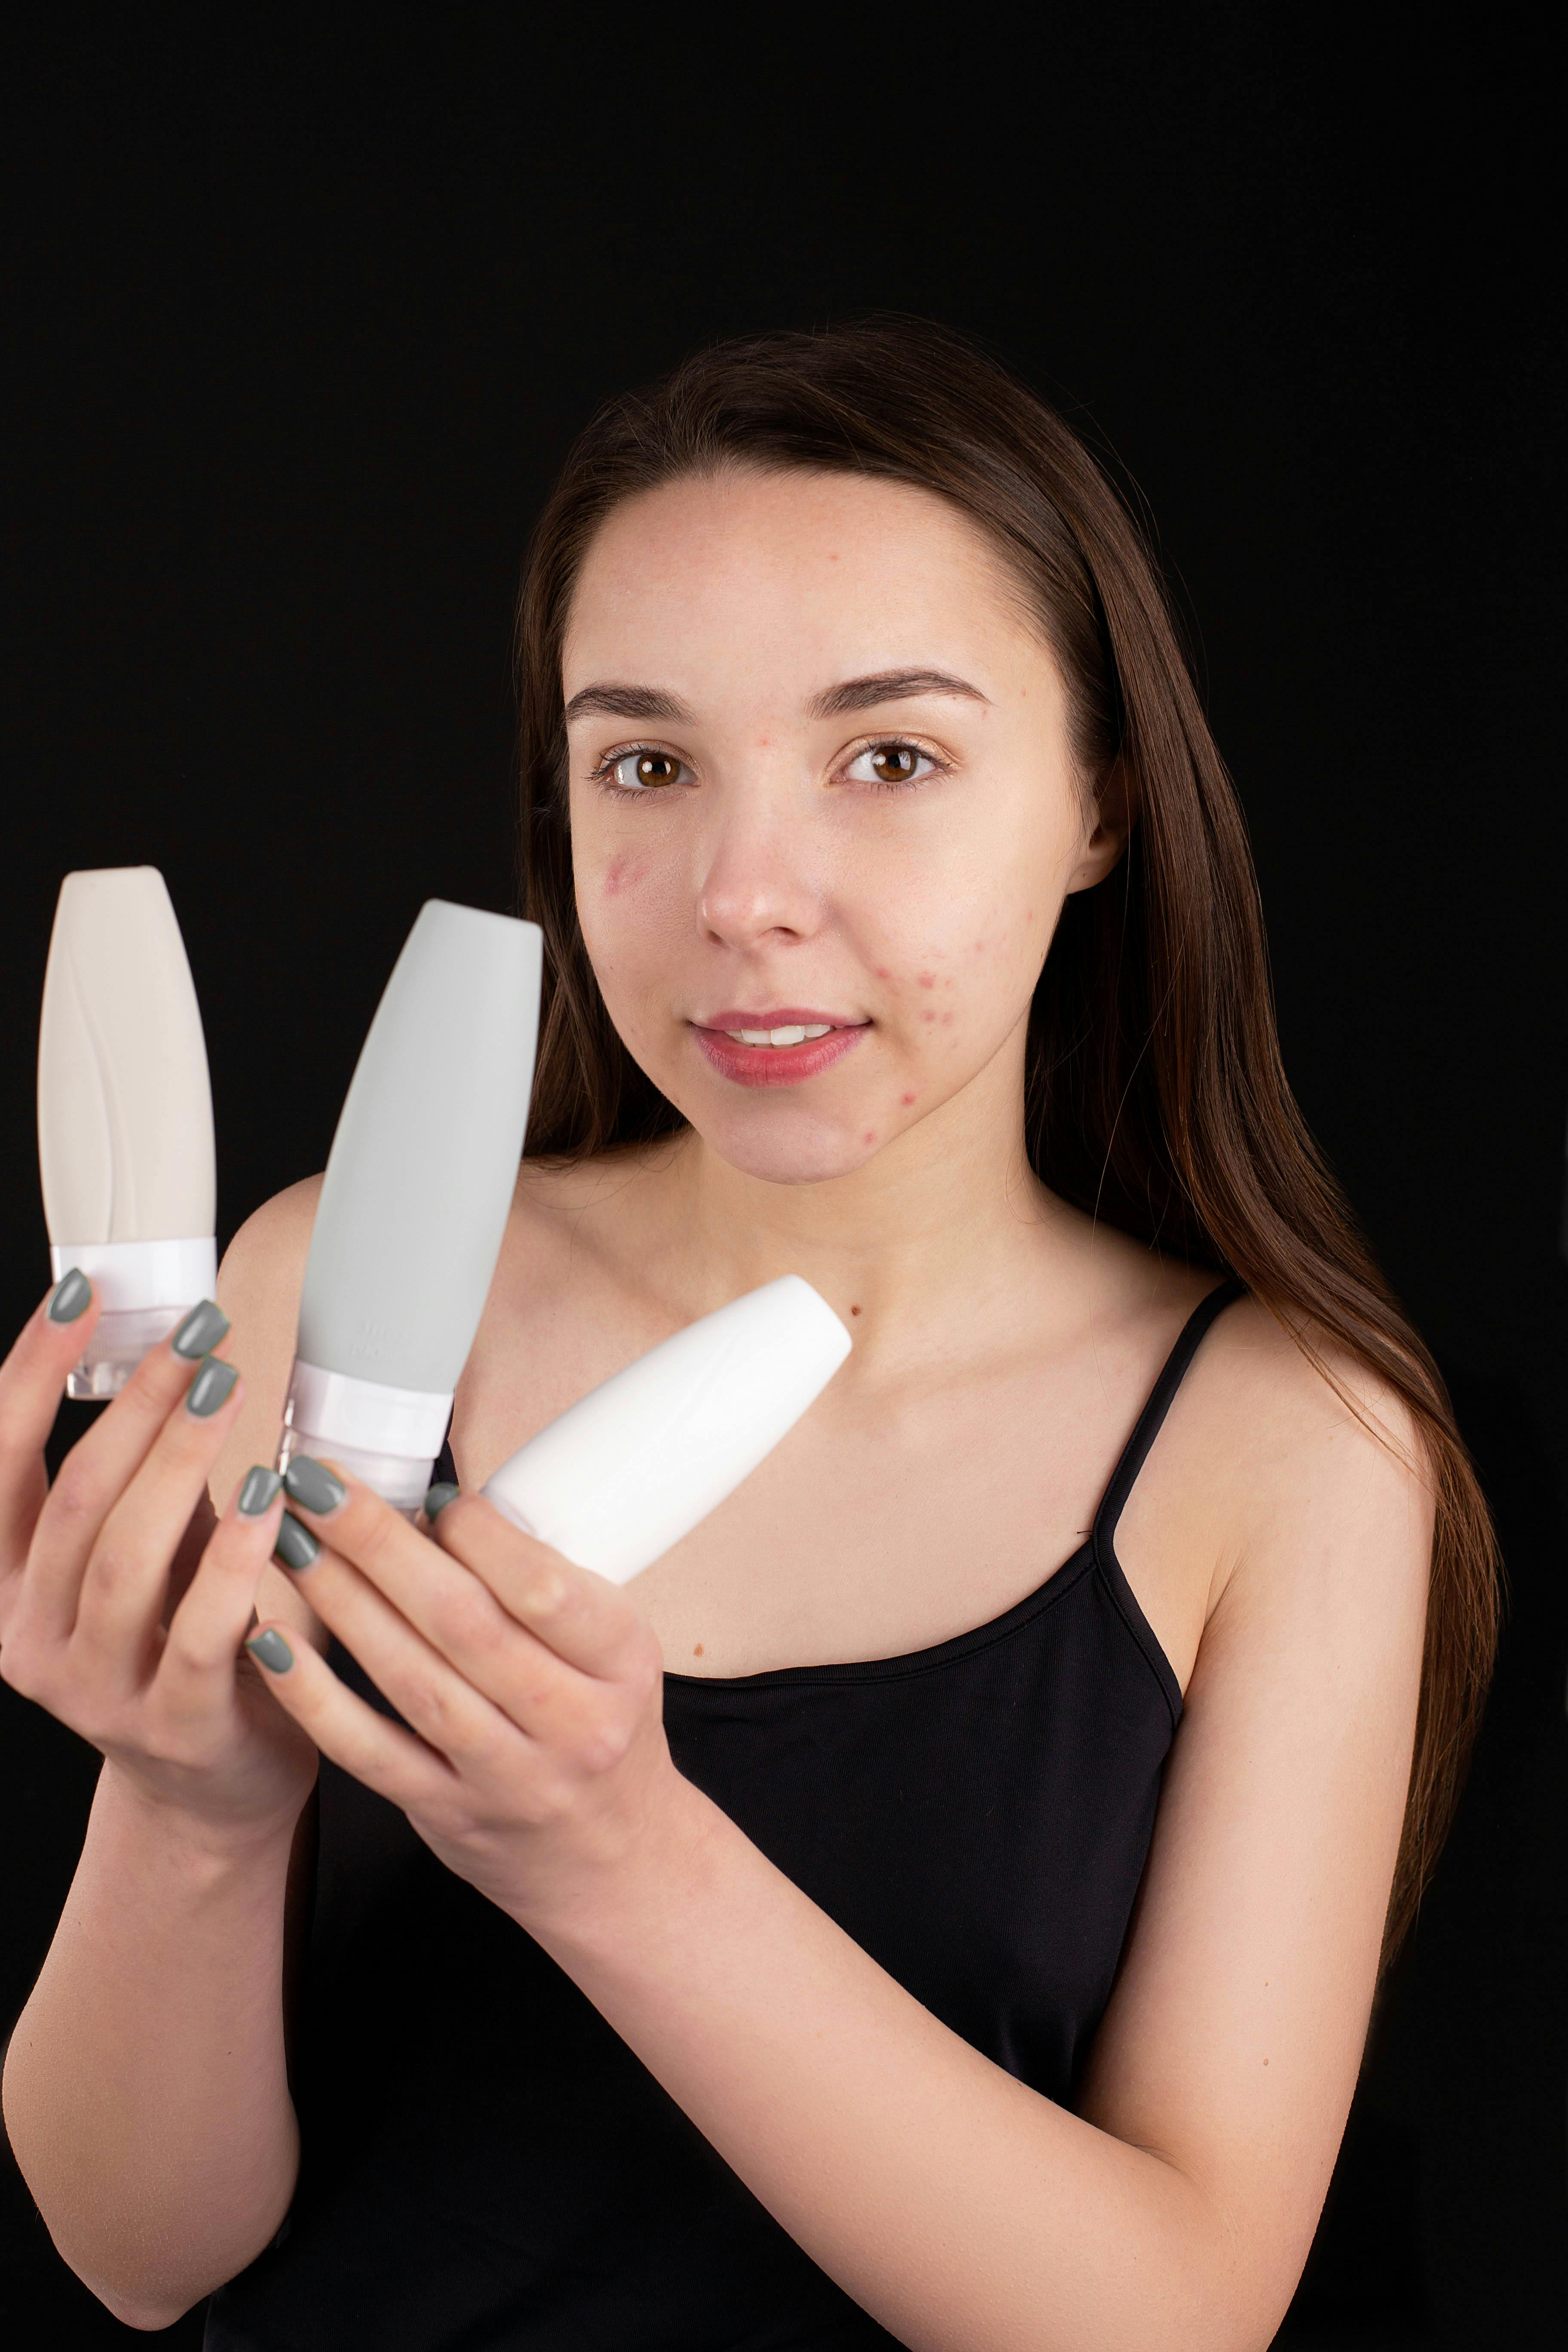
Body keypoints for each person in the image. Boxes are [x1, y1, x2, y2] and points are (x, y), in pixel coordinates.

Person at [0, 320, 1498, 2350]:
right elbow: (139, 2255)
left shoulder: (1291, 1451)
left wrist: (620, 1864)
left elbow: (1175, 2318)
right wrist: (189, 1809)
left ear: (1101, 805)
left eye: (890, 757)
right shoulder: (326, 1285)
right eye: (647, 762)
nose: (743, 892)